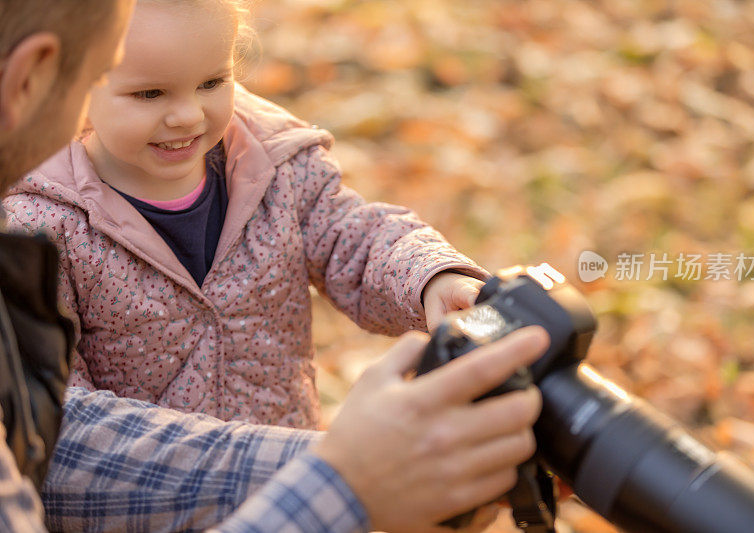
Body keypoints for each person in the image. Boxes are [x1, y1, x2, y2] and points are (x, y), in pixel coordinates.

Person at [0, 0, 548, 531]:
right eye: (149, 92)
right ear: (79, 86)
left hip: (303, 494)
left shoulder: (273, 162)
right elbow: (61, 415)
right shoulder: (42, 224)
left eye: (213, 82)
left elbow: (352, 236)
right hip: (145, 509)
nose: (189, 113)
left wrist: (432, 278)